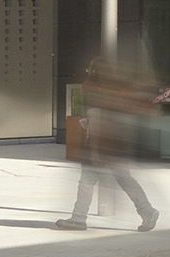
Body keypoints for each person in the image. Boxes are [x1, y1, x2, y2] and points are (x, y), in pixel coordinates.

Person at [64, 55, 159, 231]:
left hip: (100, 145)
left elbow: (96, 121)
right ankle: (147, 211)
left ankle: (78, 219)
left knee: (86, 181)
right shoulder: (115, 89)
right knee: (125, 180)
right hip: (117, 144)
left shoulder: (92, 90)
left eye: (89, 68)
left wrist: (94, 151)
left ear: (93, 71)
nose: (87, 71)